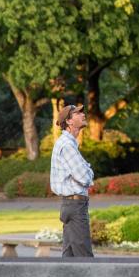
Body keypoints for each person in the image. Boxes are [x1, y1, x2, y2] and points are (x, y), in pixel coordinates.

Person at [50, 104, 95, 257]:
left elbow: (83, 174)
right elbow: (84, 177)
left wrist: (87, 172)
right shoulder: (67, 145)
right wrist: (89, 173)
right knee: (85, 258)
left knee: (69, 258)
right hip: (76, 206)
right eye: (78, 113)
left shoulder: (68, 143)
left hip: (71, 204)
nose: (83, 115)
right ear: (69, 121)